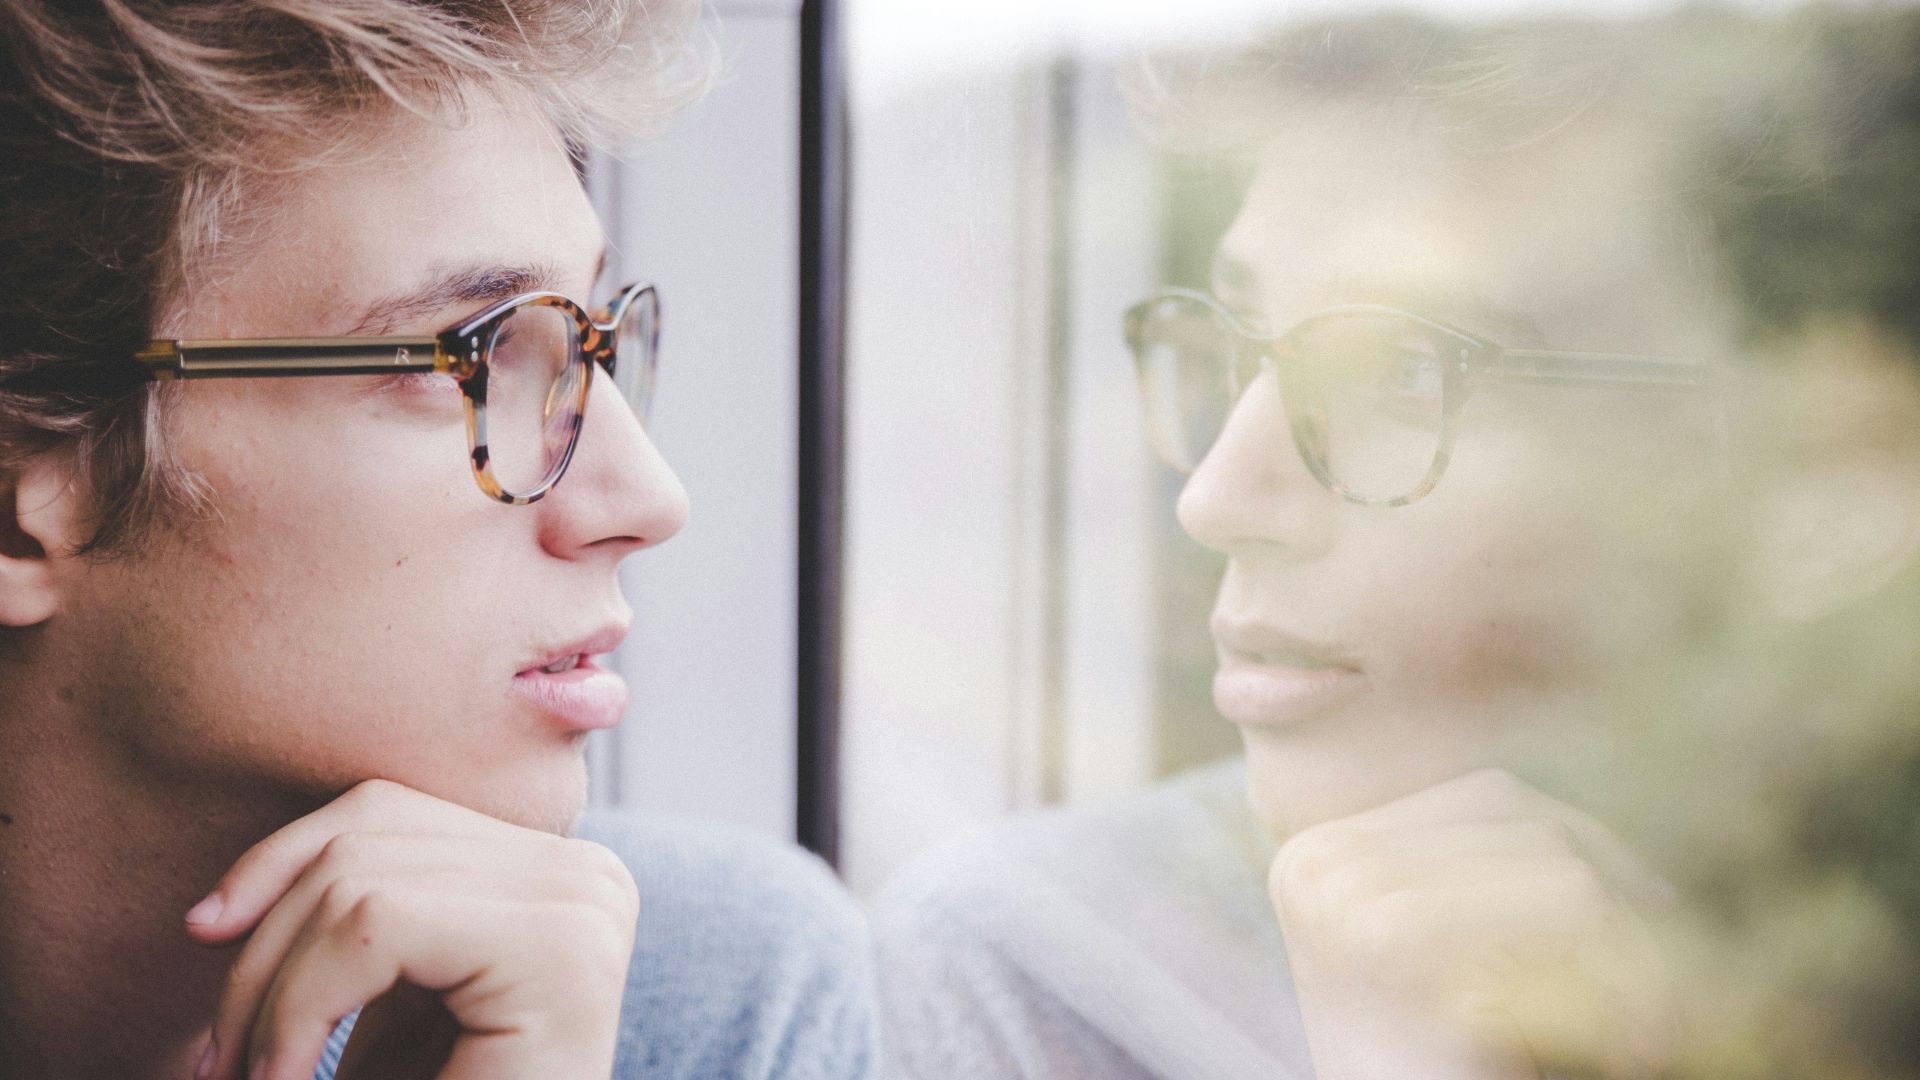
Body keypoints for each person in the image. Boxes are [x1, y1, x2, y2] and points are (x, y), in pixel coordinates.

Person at [874, 8, 1920, 1079]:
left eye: (1409, 373)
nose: (1219, 496)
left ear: (1832, 471)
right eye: (1238, 345)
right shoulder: (1039, 979)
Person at [0, 3, 877, 1079]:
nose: (647, 497)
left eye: (584, 341)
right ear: (17, 495)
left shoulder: (712, 999)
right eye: (466, 357)